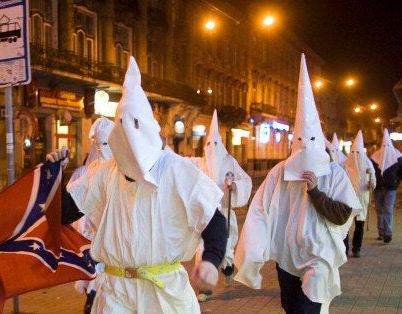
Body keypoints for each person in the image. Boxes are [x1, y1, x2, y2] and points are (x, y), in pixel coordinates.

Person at [49, 56, 227, 313]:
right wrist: (53, 177)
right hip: (115, 294)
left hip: (163, 295)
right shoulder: (104, 173)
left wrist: (211, 259)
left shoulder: (178, 171)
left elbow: (213, 218)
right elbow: (66, 212)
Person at [234, 54, 362, 314]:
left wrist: (315, 192)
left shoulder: (334, 173)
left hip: (319, 257)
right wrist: (252, 252)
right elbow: (260, 211)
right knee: (291, 308)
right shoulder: (280, 172)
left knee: (307, 310)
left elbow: (342, 214)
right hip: (287, 258)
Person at [187, 109, 252, 300]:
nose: (212, 147)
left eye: (215, 143)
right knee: (202, 249)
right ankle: (204, 289)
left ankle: (228, 267)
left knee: (226, 246)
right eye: (209, 144)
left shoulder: (230, 162)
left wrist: (235, 187)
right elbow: (180, 165)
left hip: (224, 211)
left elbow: (245, 180)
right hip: (204, 213)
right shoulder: (200, 162)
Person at [69, 117, 114, 314]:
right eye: (98, 144)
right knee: (95, 281)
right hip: (94, 239)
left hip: (121, 255)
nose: (101, 149)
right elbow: (71, 205)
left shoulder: (128, 173)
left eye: (106, 143)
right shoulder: (87, 173)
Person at [370, 128, 402, 243]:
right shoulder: (375, 157)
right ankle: (381, 231)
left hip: (391, 188)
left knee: (388, 210)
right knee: (379, 211)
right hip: (378, 188)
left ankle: (387, 233)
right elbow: (370, 172)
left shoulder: (397, 157)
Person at [343, 130, 376, 257]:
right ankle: (344, 248)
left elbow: (373, 182)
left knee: (359, 225)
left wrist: (371, 183)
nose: (355, 156)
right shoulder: (345, 165)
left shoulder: (368, 165)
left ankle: (357, 248)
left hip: (362, 198)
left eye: (358, 153)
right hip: (348, 199)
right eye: (353, 153)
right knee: (345, 225)